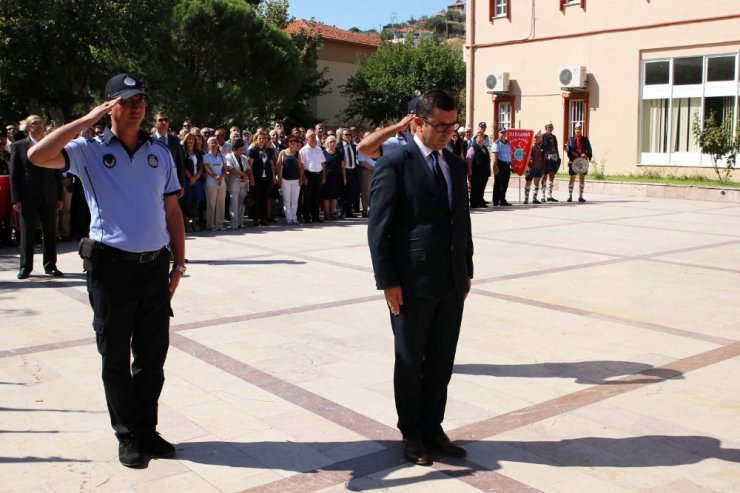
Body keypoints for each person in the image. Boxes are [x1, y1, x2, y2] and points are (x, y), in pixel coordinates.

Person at [26, 73, 185, 468]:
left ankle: (147, 429)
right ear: (109, 106)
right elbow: (38, 156)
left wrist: (178, 265)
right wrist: (86, 119)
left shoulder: (159, 152)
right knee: (114, 355)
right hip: (110, 269)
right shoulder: (88, 149)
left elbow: (172, 210)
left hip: (153, 268)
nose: (137, 108)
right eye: (127, 101)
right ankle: (127, 434)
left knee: (152, 357)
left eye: (141, 100)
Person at [367, 89, 473, 467]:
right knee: (411, 360)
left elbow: (462, 220)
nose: (447, 132)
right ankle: (411, 432)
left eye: (452, 125)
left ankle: (433, 427)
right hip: (410, 284)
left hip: (450, 281)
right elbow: (379, 229)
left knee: (442, 360)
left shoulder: (455, 164)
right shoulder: (395, 163)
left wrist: (467, 270)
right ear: (417, 122)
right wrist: (388, 282)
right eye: (440, 125)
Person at [9, 114, 64, 279]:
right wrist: (15, 198)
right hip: (27, 196)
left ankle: (50, 265)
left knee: (50, 231)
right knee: (27, 232)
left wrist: (59, 196)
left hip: (49, 194)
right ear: (27, 128)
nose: (38, 126)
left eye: (40, 123)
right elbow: (14, 174)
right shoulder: (19, 146)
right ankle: (25, 267)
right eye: (34, 124)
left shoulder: (51, 145)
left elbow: (57, 172)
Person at [248, 132, 276, 226]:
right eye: (259, 138)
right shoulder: (253, 151)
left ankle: (263, 218)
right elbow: (249, 166)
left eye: (263, 139)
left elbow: (271, 164)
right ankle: (255, 218)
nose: (261, 140)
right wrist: (251, 177)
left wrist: (273, 177)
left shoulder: (268, 150)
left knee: (264, 198)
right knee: (256, 198)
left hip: (266, 177)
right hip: (256, 177)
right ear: (255, 139)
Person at [224, 138, 254, 229]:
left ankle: (241, 222)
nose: (242, 151)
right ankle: (234, 223)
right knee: (234, 203)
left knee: (242, 203)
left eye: (242, 149)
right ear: (234, 149)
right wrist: (243, 174)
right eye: (240, 149)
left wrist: (250, 177)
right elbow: (231, 169)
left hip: (244, 183)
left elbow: (248, 169)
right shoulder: (228, 157)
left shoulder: (244, 158)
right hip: (234, 182)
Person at [276, 135, 305, 225]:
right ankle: (288, 218)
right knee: (287, 200)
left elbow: (300, 167)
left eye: (295, 141)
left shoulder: (297, 153)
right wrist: (279, 177)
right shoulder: (283, 152)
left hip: (296, 179)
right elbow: (278, 165)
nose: (293, 143)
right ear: (287, 143)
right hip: (285, 179)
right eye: (291, 141)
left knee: (295, 200)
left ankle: (294, 217)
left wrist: (301, 178)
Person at [299, 129, 326, 223]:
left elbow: (323, 163)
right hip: (309, 174)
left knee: (317, 197)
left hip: (318, 174)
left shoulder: (319, 149)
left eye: (314, 137)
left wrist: (324, 176)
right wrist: (304, 177)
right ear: (307, 139)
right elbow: (301, 165)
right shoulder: (303, 150)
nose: (314, 139)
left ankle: (316, 216)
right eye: (312, 137)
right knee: (307, 197)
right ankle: (306, 216)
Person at [203, 136, 227, 231]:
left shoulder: (222, 156)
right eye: (211, 142)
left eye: (215, 142)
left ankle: (219, 225)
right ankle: (211, 225)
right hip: (211, 183)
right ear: (208, 145)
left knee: (221, 203)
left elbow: (225, 168)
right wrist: (216, 176)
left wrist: (221, 177)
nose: (214, 144)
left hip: (222, 182)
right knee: (211, 204)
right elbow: (207, 169)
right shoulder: (206, 156)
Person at [565, 123, 593, 202]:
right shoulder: (570, 139)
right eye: (577, 129)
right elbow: (568, 150)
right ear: (574, 130)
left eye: (580, 129)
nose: (578, 130)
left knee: (582, 177)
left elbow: (589, 149)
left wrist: (587, 155)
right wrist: (574, 154)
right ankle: (570, 196)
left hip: (582, 161)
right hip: (573, 160)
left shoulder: (585, 139)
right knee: (572, 177)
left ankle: (581, 196)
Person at [321, 135, 346, 220]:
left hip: (336, 177)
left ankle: (332, 213)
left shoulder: (339, 153)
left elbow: (342, 166)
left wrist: (344, 177)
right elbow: (323, 166)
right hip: (327, 177)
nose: (333, 143)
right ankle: (326, 214)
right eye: (331, 141)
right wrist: (323, 177)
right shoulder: (323, 153)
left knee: (334, 195)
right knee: (326, 196)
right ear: (327, 143)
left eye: (334, 141)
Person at [466, 131, 491, 208]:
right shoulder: (472, 148)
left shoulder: (484, 148)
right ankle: (474, 202)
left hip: (484, 172)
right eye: (479, 137)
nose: (481, 139)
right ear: (476, 138)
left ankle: (480, 201)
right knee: (475, 188)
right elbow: (469, 160)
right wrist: (469, 170)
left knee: (482, 187)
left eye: (482, 137)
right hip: (476, 172)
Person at [339, 129, 360, 218]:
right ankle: (341, 211)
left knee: (351, 192)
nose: (348, 136)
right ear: (342, 136)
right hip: (343, 171)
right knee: (342, 192)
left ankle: (348, 211)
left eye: (349, 135)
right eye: (346, 134)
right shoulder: (338, 146)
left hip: (352, 171)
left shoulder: (353, 146)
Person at [491, 128, 513, 206]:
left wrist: (512, 165)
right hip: (499, 164)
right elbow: (494, 156)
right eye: (501, 133)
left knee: (505, 183)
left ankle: (502, 199)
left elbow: (510, 154)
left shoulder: (508, 143)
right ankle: (496, 200)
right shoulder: (496, 143)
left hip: (507, 165)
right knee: (498, 183)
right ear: (498, 133)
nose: (503, 134)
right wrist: (495, 167)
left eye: (504, 133)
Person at [541, 120, 561, 202]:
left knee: (552, 175)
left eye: (551, 127)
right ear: (545, 128)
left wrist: (558, 158)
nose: (549, 128)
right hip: (546, 158)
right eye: (548, 127)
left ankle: (549, 195)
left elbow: (556, 148)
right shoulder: (543, 136)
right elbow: (541, 147)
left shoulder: (554, 137)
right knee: (544, 176)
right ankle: (543, 196)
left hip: (553, 157)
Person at [524, 131, 545, 204]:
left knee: (537, 183)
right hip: (530, 167)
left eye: (539, 138)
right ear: (533, 139)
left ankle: (534, 198)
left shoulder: (541, 148)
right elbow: (526, 156)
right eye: (536, 138)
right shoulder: (530, 147)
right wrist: (528, 162)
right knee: (528, 182)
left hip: (538, 166)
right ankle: (526, 198)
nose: (537, 140)